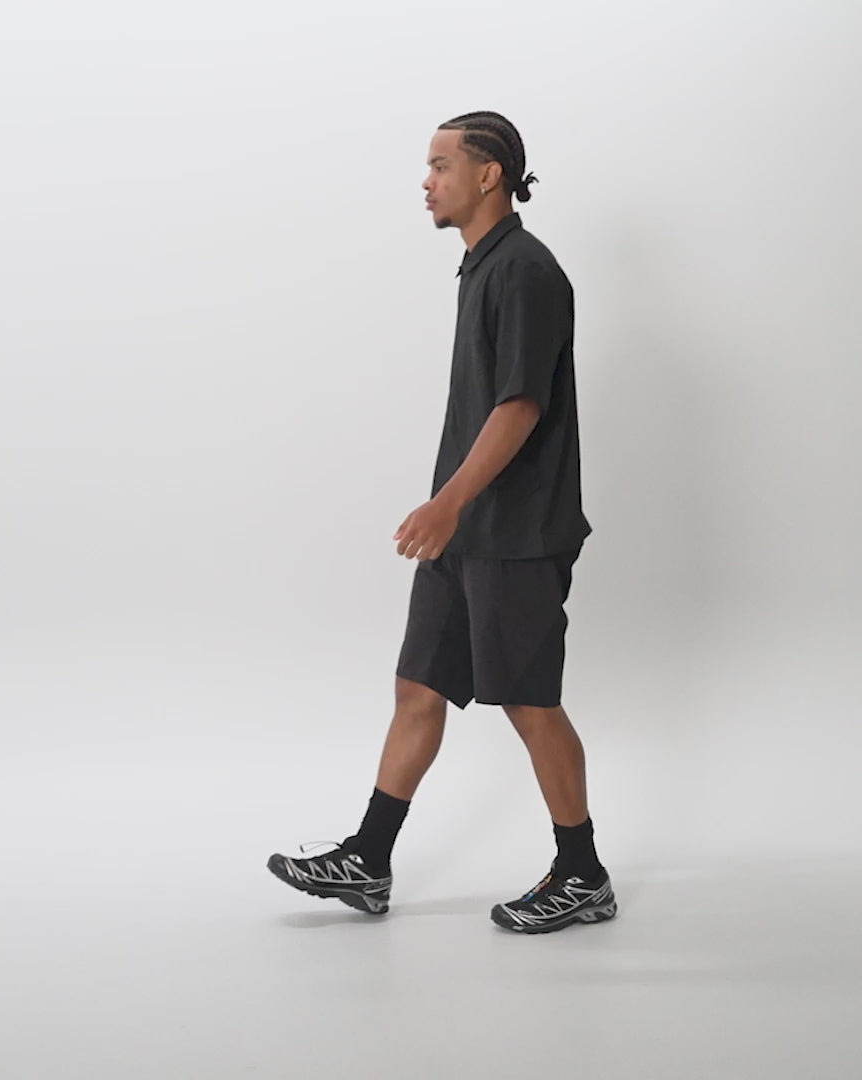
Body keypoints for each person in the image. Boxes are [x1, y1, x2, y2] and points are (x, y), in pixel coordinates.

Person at [266, 111, 617, 934]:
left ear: (489, 175)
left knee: (529, 701)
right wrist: (453, 515)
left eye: (440, 165)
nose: (426, 182)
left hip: (517, 533)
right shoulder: (482, 267)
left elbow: (521, 406)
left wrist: (447, 502)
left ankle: (583, 873)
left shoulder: (525, 271)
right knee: (418, 686)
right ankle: (369, 860)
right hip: (467, 534)